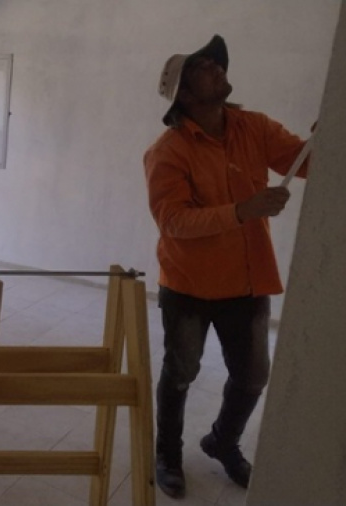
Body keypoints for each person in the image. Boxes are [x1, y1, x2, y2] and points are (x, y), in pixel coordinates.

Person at [144, 35, 311, 498]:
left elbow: (307, 162)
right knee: (180, 373)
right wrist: (242, 210)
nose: (218, 67)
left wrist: (329, 136)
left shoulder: (253, 128)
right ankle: (167, 454)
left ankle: (222, 441)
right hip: (188, 285)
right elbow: (173, 221)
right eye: (204, 66)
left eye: (217, 62)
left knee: (253, 376)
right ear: (183, 93)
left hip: (247, 281)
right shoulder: (167, 151)